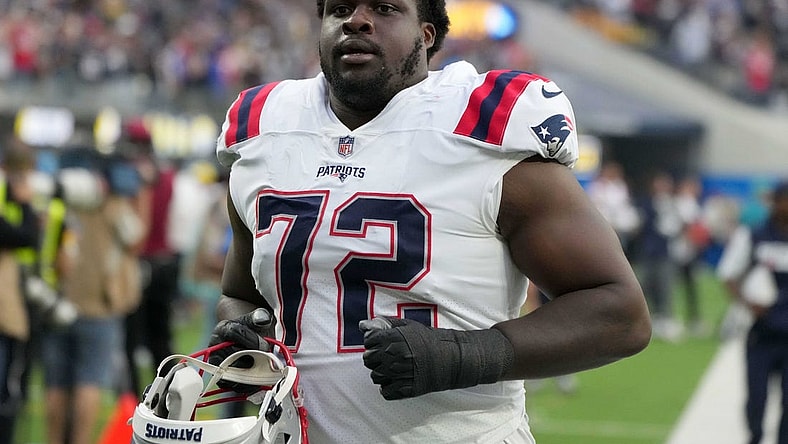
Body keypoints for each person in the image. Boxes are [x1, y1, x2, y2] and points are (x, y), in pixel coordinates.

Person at [209, 0, 652, 442]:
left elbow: (620, 312)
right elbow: (239, 296)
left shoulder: (482, 127)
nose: (357, 20)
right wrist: (246, 339)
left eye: (384, 8)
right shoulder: (263, 129)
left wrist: (465, 355)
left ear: (427, 34)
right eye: (340, 8)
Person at [40, 149, 146, 444]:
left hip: (59, 302)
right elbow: (137, 238)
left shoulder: (65, 200)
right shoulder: (113, 204)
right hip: (100, 306)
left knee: (56, 383)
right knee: (90, 380)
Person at [717, 180, 788, 444]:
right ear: (776, 202)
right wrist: (748, 302)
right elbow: (727, 274)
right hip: (763, 330)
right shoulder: (754, 235)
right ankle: (755, 436)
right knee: (757, 397)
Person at [0, 137, 40, 444]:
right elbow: (23, 236)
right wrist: (25, 202)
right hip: (7, 309)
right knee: (7, 389)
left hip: (17, 298)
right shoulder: (16, 198)